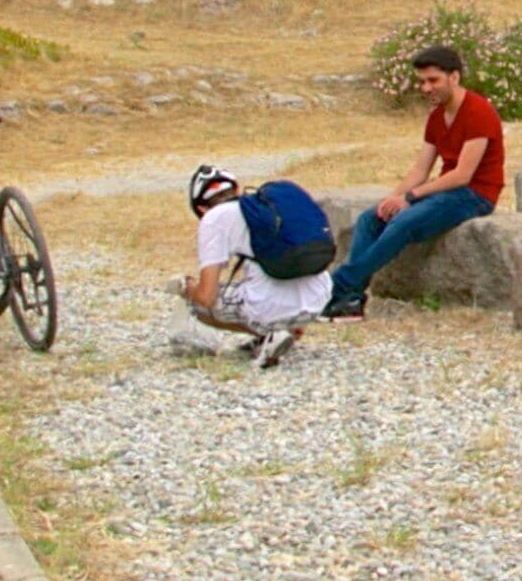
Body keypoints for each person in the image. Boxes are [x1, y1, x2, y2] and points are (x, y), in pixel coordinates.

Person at [325, 44, 504, 319]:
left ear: (454, 77)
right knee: (370, 219)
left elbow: (462, 175)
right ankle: (351, 300)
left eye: (433, 80)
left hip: (475, 195)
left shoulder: (479, 111)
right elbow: (420, 170)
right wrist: (394, 198)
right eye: (422, 82)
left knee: (404, 222)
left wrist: (411, 198)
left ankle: (337, 287)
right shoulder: (436, 117)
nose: (426, 88)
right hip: (448, 191)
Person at [178, 165, 330, 369]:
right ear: (236, 189)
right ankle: (283, 330)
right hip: (319, 298)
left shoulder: (213, 219)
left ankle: (271, 333)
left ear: (201, 209)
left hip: (271, 306)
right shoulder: (267, 209)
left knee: (198, 306)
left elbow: (207, 297)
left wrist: (187, 288)